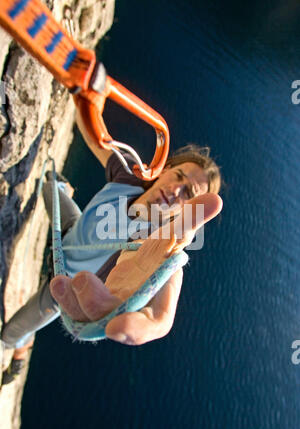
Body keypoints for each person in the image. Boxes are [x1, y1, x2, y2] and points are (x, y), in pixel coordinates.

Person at [0, 111, 222, 384]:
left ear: (187, 212)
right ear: (163, 170)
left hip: (63, 286)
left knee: (9, 335)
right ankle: (63, 191)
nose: (176, 190)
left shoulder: (153, 244)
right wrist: (85, 88)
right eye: (178, 176)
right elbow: (95, 134)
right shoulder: (128, 177)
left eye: (188, 194)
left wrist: (156, 318)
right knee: (49, 187)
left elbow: (164, 281)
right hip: (71, 230)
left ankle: (22, 347)